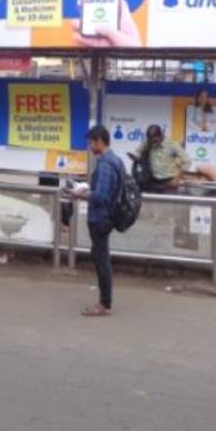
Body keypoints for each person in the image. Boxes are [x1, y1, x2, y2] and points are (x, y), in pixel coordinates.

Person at [75, 124, 123, 317]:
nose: (90, 146)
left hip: (100, 217)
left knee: (101, 260)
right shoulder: (116, 160)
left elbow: (101, 195)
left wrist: (79, 194)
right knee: (99, 255)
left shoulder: (104, 164)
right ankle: (105, 301)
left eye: (91, 143)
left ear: (99, 142)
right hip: (109, 216)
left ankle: (104, 304)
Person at [135, 123, 216, 189]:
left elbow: (187, 162)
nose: (152, 142)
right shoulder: (148, 142)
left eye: (154, 140)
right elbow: (137, 152)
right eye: (150, 140)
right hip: (153, 181)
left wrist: (177, 179)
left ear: (159, 136)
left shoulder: (172, 145)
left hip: (169, 183)